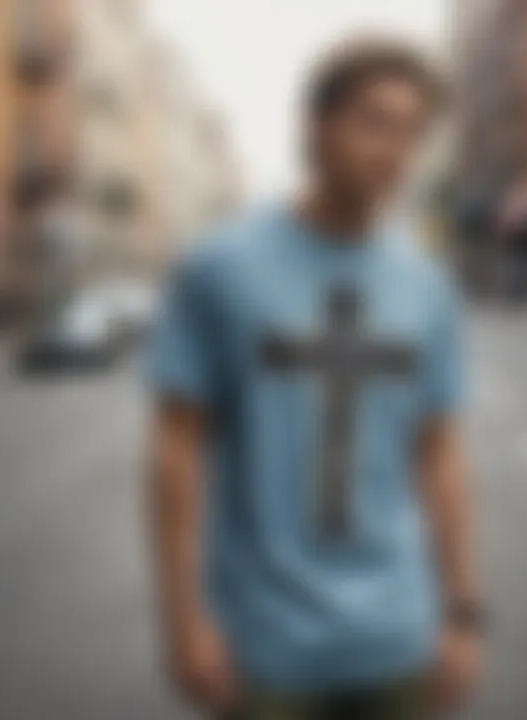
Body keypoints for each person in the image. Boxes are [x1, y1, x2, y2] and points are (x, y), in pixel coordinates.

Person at [149, 36, 483, 720]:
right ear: (315, 123)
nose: (393, 150)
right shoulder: (220, 269)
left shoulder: (427, 288)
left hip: (397, 638)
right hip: (266, 649)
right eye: (374, 122)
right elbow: (175, 450)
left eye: (411, 132)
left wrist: (462, 614)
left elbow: (440, 453)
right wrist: (183, 620)